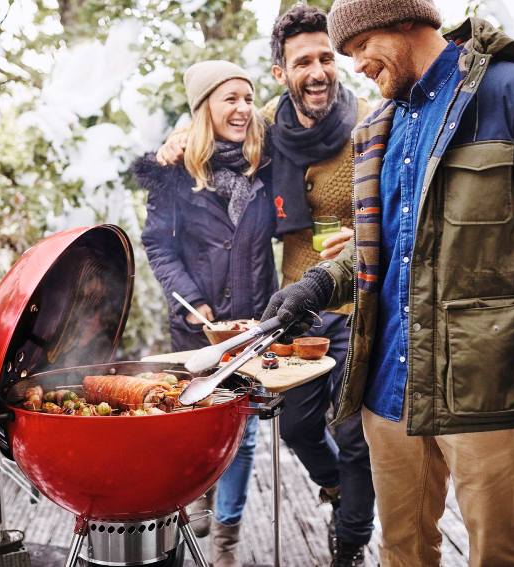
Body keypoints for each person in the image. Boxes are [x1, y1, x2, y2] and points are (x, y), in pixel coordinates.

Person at [263, 0, 514, 564]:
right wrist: (318, 286)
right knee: (401, 550)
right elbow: (378, 248)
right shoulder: (378, 126)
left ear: (401, 22)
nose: (354, 67)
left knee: (502, 552)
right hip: (387, 391)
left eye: (358, 48)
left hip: (485, 387)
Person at [156, 7, 376, 565]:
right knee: (299, 427)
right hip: (298, 304)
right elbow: (219, 123)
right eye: (304, 61)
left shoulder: (371, 123)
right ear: (282, 72)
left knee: (353, 436)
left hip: (358, 300)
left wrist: (363, 234)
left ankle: (350, 538)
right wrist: (180, 135)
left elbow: (399, 207)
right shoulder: (270, 125)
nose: (319, 70)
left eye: (327, 57)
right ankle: (336, 490)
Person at [135, 60, 276, 567]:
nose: (242, 109)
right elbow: (157, 245)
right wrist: (193, 302)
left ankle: (225, 541)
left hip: (255, 324)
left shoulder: (267, 157)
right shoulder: (174, 172)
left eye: (247, 98)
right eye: (229, 99)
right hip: (196, 326)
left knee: (243, 432)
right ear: (203, 108)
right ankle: (196, 502)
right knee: (197, 422)